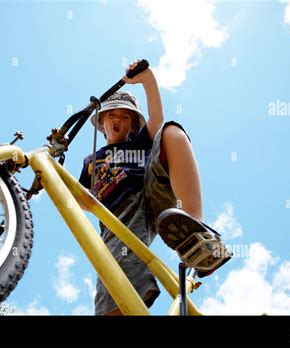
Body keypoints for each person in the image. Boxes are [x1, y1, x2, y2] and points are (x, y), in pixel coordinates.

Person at [78, 60, 230, 316]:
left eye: (125, 117)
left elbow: (156, 119)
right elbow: (80, 198)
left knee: (171, 131)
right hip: (119, 214)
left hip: (150, 189)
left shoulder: (139, 142)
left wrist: (148, 81)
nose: (118, 120)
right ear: (102, 122)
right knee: (117, 276)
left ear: (133, 125)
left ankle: (195, 233)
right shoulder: (91, 161)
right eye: (112, 115)